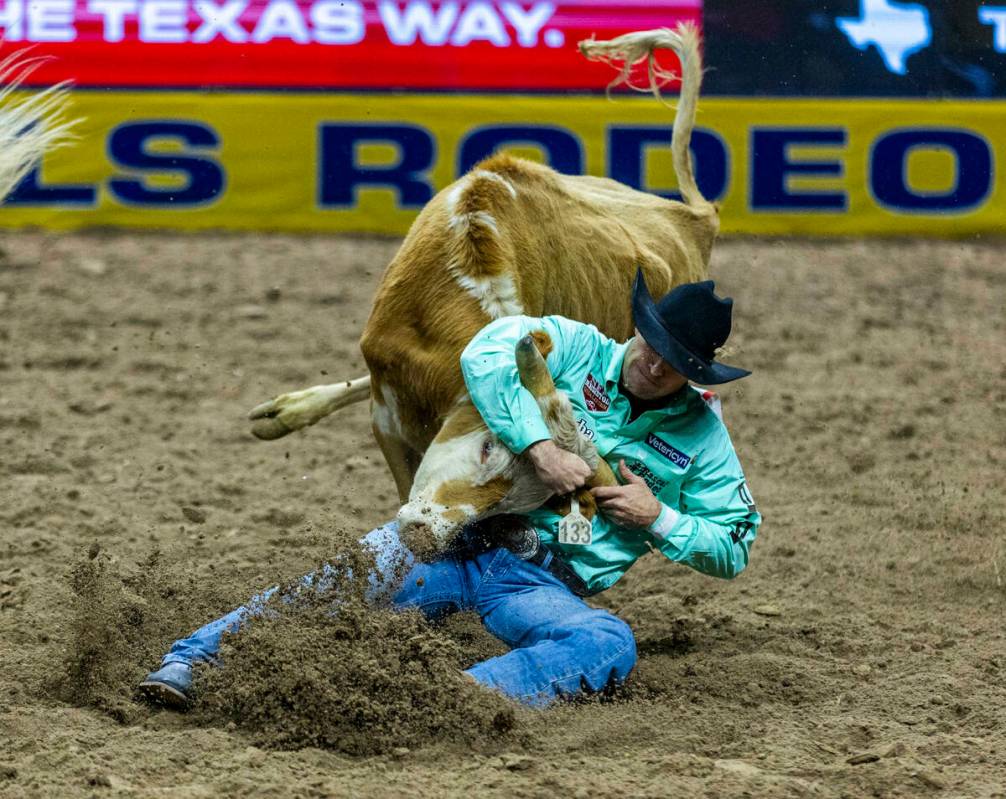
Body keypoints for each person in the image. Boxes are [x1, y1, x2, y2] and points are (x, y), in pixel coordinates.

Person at [139, 273, 761, 709]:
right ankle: (191, 661)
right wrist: (539, 449)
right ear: (639, 327)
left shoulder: (703, 438)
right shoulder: (570, 346)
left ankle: (453, 700)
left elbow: (734, 543)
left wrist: (660, 519)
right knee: (337, 583)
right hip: (455, 537)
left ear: (698, 371)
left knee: (606, 642)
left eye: (676, 361)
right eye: (654, 345)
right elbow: (488, 350)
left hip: (541, 580)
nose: (656, 365)